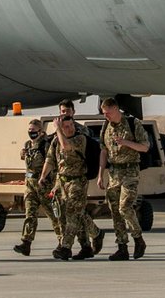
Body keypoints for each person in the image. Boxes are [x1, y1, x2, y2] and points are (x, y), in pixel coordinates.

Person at [97, 97, 149, 260]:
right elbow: (104, 151)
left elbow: (145, 147)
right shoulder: (106, 126)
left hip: (130, 171)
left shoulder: (133, 124)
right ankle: (122, 247)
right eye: (104, 113)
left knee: (124, 208)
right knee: (115, 212)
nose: (106, 116)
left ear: (116, 109)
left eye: (108, 113)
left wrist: (126, 142)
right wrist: (100, 174)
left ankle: (138, 238)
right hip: (114, 174)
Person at [40, 115, 92, 260]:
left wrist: (58, 130)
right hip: (62, 182)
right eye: (66, 127)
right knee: (70, 216)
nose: (70, 129)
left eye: (71, 126)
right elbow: (50, 160)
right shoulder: (56, 141)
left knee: (72, 215)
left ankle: (65, 248)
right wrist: (43, 177)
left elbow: (67, 147)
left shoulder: (80, 139)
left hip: (77, 182)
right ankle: (87, 246)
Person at [58, 99, 104, 252]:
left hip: (78, 178)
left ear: (73, 112)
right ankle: (87, 243)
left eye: (67, 111)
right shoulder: (57, 134)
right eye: (62, 111)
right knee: (76, 213)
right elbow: (53, 158)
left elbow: (68, 148)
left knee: (74, 212)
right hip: (64, 179)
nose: (65, 114)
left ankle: (66, 247)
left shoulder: (80, 132)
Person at [14, 118, 61, 256]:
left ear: (40, 132)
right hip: (30, 185)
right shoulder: (28, 144)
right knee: (30, 214)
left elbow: (52, 163)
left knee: (53, 215)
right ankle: (26, 242)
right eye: (29, 131)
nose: (31, 133)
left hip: (44, 185)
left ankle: (62, 240)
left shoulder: (46, 145)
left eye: (34, 131)